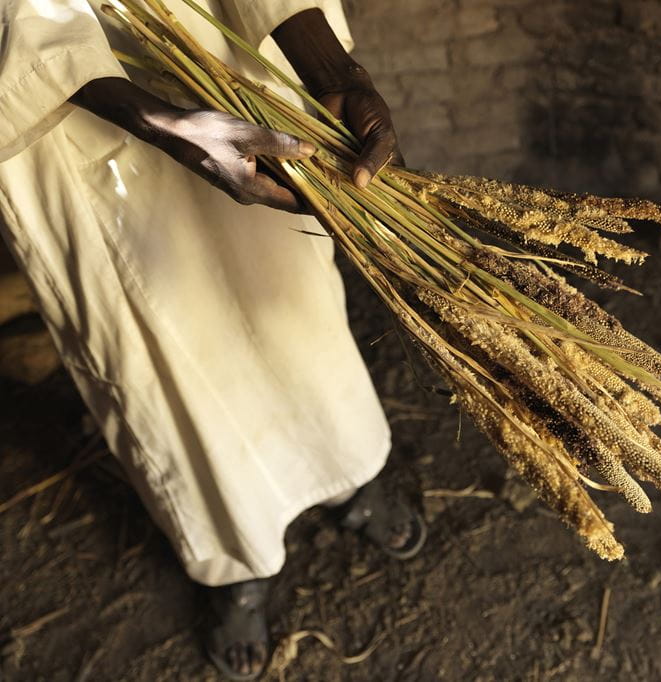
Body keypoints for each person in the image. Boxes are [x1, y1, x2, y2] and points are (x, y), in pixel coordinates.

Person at [0, 1, 425, 678]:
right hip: (71, 109)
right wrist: (156, 121)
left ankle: (351, 477)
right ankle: (234, 562)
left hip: (216, 50)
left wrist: (329, 66)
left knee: (295, 305)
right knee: (159, 359)